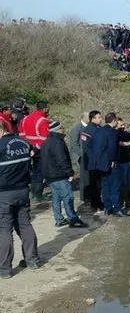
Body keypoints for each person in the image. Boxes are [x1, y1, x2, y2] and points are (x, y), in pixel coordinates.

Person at [0, 120, 40, 279]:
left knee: (4, 230)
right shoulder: (24, 143)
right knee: (25, 225)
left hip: (4, 194)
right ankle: (33, 260)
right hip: (23, 190)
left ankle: (4, 269)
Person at [39, 121, 87, 228]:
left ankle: (59, 219)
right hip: (58, 174)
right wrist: (69, 172)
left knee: (56, 197)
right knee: (68, 196)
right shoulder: (57, 142)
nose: (63, 129)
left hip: (49, 175)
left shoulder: (46, 141)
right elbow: (62, 159)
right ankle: (73, 219)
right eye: (62, 128)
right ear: (58, 130)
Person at [89, 113, 128, 217]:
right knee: (115, 185)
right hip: (109, 163)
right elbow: (112, 148)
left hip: (99, 164)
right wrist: (113, 160)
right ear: (114, 121)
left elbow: (92, 146)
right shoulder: (112, 132)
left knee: (105, 185)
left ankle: (107, 207)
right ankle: (117, 208)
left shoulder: (98, 131)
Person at [18, 101, 50, 202]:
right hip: (39, 150)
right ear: (44, 109)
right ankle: (38, 195)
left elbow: (21, 134)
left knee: (33, 171)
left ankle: (33, 193)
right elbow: (44, 138)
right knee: (40, 171)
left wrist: (28, 147)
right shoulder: (43, 120)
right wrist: (36, 148)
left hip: (27, 148)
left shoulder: (25, 118)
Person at [81, 111, 104, 212]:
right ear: (92, 119)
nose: (100, 119)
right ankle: (96, 204)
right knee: (94, 184)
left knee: (98, 183)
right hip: (93, 161)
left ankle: (98, 202)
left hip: (98, 160)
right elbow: (87, 147)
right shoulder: (88, 130)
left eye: (100, 117)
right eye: (98, 117)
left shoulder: (98, 128)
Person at [115, 118, 130, 211]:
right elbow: (120, 144)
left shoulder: (126, 133)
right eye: (121, 125)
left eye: (123, 124)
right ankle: (124, 201)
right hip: (120, 162)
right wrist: (129, 143)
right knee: (122, 183)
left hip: (129, 161)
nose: (123, 127)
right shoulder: (114, 135)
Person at [67, 112, 89, 203]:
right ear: (84, 118)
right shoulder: (76, 128)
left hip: (89, 155)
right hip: (81, 155)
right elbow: (74, 143)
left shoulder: (89, 127)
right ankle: (84, 196)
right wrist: (82, 154)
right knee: (84, 176)